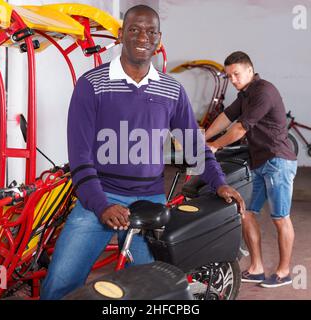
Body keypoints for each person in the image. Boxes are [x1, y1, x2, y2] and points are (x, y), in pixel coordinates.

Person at [40, 5, 245, 300]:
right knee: (59, 286)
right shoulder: (91, 85)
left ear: (158, 38)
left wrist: (219, 182)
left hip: (149, 201)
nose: (142, 37)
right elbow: (80, 157)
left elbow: (193, 145)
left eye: (150, 31)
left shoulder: (171, 90)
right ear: (122, 34)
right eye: (134, 29)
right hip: (98, 199)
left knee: (160, 290)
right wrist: (101, 205)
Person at [205, 51, 297, 288]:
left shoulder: (263, 91)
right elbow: (227, 117)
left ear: (249, 70)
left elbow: (240, 129)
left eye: (236, 74)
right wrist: (203, 137)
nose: (233, 79)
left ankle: (285, 271)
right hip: (259, 162)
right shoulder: (245, 94)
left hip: (278, 161)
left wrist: (214, 145)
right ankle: (256, 268)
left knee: (280, 218)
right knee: (246, 213)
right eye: (229, 76)